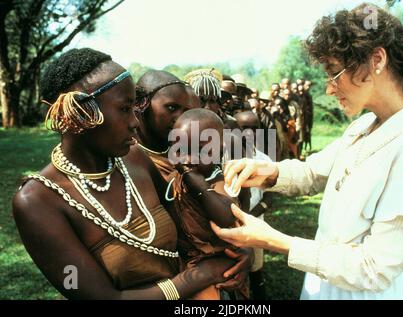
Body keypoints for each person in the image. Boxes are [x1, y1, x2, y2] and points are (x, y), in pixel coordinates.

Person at [212, 3, 403, 300]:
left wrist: (276, 241)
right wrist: (268, 172)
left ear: (376, 60)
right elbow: (314, 171)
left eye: (334, 72)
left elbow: (374, 269)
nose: (329, 90)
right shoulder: (365, 126)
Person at [12, 48, 250, 300]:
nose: (135, 122)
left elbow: (189, 224)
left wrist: (234, 250)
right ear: (81, 113)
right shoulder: (38, 202)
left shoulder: (134, 158)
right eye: (125, 109)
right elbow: (101, 298)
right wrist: (201, 276)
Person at [166, 108, 250, 299]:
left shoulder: (220, 180)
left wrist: (200, 186)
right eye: (180, 150)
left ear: (219, 150)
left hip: (218, 266)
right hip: (185, 265)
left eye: (199, 150)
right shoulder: (174, 180)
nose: (188, 159)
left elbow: (226, 216)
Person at [234, 111, 274, 299]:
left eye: (253, 129)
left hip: (255, 225)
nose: (248, 134)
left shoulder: (264, 160)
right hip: (231, 227)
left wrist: (248, 215)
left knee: (256, 271)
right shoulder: (226, 160)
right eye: (243, 129)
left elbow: (270, 198)